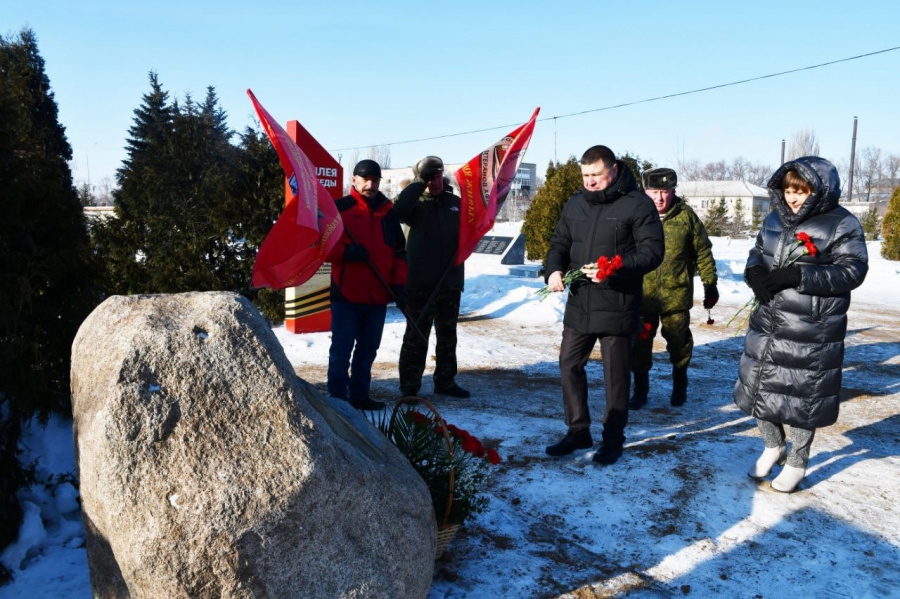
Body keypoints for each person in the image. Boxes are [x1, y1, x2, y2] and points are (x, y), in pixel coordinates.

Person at [734, 156, 867, 492]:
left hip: (811, 327)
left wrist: (799, 274)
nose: (793, 197)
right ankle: (772, 445)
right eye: (789, 189)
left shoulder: (841, 223)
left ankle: (797, 459)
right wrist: (754, 272)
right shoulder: (775, 217)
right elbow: (758, 250)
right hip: (769, 320)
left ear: (817, 191)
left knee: (801, 400)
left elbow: (853, 270)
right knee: (759, 389)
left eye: (801, 190)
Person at [544, 146, 665, 464]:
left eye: (596, 174)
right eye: (585, 175)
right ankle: (578, 431)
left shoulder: (637, 204)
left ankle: (613, 439)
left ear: (613, 170)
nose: (590, 181)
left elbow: (652, 251)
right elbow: (559, 243)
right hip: (580, 303)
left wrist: (615, 265)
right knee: (569, 366)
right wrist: (554, 269)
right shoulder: (575, 204)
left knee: (615, 375)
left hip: (617, 301)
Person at [630, 168, 718, 409]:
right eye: (654, 192)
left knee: (679, 344)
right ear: (644, 191)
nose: (659, 198)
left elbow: (703, 252)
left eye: (665, 192)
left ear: (673, 192)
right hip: (642, 296)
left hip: (676, 297)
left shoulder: (686, 217)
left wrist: (710, 284)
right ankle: (640, 390)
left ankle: (680, 383)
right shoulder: (636, 216)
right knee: (639, 344)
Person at [325, 159, 407, 411]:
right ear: (354, 180)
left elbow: (399, 252)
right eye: (365, 179)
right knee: (342, 349)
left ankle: (359, 395)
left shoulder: (388, 212)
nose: (370, 184)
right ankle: (337, 398)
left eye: (375, 179)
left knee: (368, 350)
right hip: (347, 294)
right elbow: (323, 245)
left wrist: (399, 285)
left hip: (377, 295)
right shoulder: (339, 209)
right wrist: (346, 253)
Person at [394, 156, 470, 399]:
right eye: (429, 177)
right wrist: (419, 181)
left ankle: (445, 381)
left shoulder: (454, 203)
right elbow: (398, 210)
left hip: (450, 282)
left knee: (448, 336)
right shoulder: (414, 205)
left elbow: (473, 228)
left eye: (437, 175)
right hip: (420, 284)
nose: (434, 182)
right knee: (416, 335)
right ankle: (409, 386)